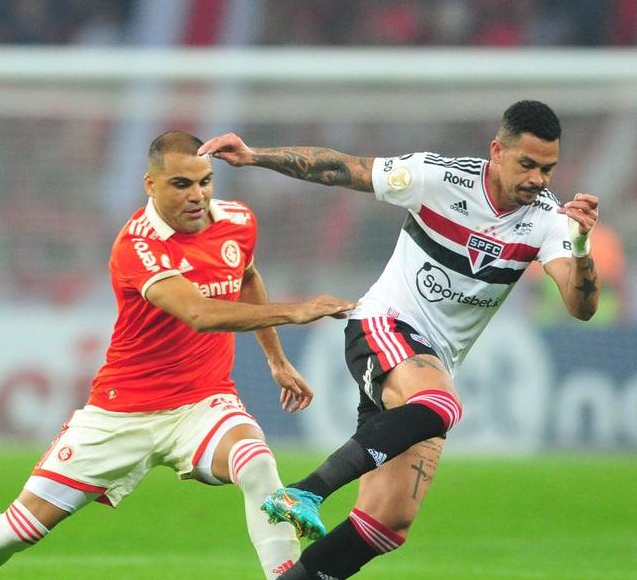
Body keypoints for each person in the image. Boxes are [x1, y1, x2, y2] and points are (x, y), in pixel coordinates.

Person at [198, 100, 601, 579]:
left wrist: (580, 245)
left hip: (429, 362)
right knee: (441, 404)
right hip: (382, 325)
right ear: (497, 151)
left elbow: (580, 307)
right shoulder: (438, 178)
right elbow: (342, 168)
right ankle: (305, 490)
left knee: (387, 523)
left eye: (548, 169)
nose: (538, 179)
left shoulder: (548, 219)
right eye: (527, 164)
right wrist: (255, 156)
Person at [0, 131, 356, 580]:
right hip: (123, 411)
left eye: (205, 182)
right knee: (21, 527)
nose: (197, 196)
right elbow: (198, 313)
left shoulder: (237, 221)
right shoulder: (137, 245)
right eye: (181, 185)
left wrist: (276, 358)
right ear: (150, 184)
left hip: (202, 403)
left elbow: (246, 276)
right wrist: (297, 310)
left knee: (256, 462)